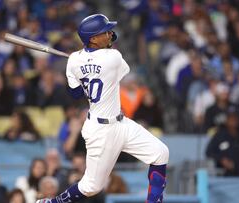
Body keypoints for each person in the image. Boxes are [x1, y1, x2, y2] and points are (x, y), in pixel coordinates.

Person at [36, 14, 169, 203]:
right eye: (104, 32)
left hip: (121, 123)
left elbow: (75, 94)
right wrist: (86, 66)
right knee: (91, 187)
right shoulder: (113, 57)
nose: (109, 34)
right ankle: (53, 202)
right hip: (101, 131)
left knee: (160, 152)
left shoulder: (74, 60)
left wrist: (79, 69)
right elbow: (118, 68)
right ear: (93, 39)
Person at [206, 108, 239, 176]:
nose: (233, 120)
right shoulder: (219, 136)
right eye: (231, 118)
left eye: (235, 117)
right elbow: (209, 152)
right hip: (225, 178)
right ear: (226, 120)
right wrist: (221, 159)